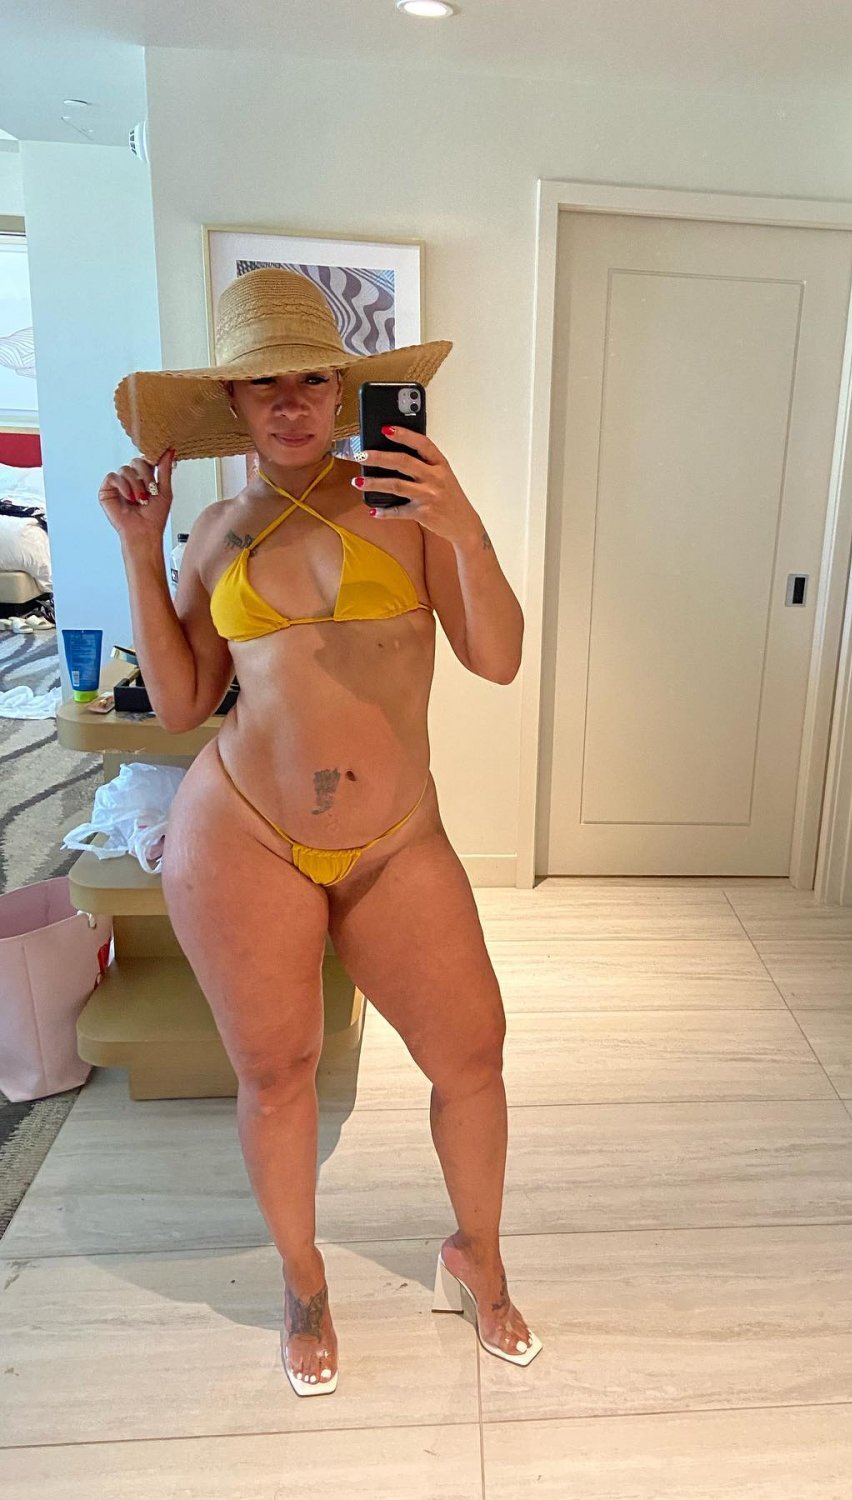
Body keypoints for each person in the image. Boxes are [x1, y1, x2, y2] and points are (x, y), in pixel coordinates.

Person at [99, 267, 538, 1396]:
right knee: (276, 1069)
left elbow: (498, 659)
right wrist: (142, 551)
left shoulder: (407, 506)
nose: (291, 403)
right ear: (233, 404)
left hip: (396, 835)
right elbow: (185, 703)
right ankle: (303, 1284)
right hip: (243, 830)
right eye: (265, 384)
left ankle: (478, 1259)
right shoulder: (216, 531)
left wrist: (462, 523)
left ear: (344, 392)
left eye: (312, 379)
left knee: (471, 1055)